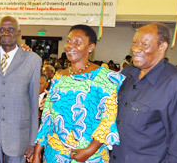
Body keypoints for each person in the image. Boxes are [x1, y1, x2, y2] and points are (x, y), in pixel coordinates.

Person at [32, 25, 125, 163]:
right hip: (54, 154)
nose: (70, 46)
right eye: (68, 41)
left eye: (77, 42)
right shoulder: (59, 76)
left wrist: (89, 151)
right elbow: (47, 115)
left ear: (91, 47)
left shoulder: (105, 78)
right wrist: (37, 151)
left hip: (89, 155)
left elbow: (108, 119)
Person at [110, 23, 177, 163]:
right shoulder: (127, 74)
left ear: (162, 47)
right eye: (134, 43)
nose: (135, 49)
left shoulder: (175, 84)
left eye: (144, 44)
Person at [0, 16, 41, 163]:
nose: (6, 32)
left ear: (18, 32)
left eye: (10, 29)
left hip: (18, 135)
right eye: (1, 30)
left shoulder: (33, 60)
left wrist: (32, 140)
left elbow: (33, 104)